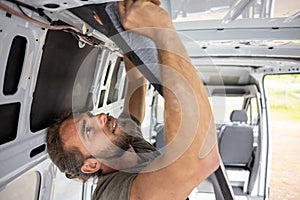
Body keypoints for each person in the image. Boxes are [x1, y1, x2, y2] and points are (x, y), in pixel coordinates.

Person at [46, 0, 220, 199]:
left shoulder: (125, 146)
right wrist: (161, 31)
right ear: (92, 165)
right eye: (88, 130)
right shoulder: (113, 194)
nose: (100, 117)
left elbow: (135, 83)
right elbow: (200, 162)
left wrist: (119, 31)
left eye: (91, 116)